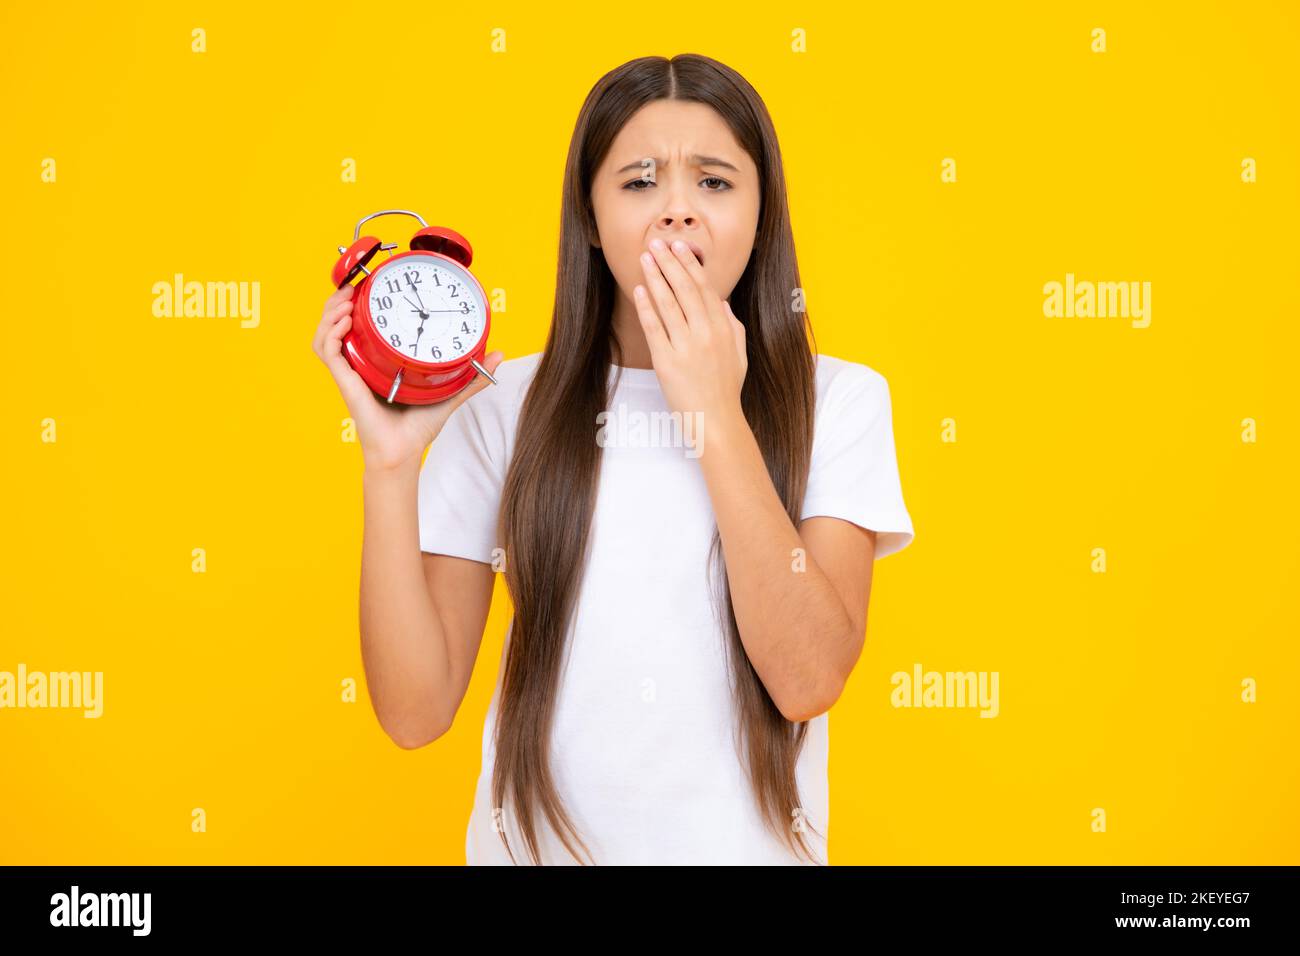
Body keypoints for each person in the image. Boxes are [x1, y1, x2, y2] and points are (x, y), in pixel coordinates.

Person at [311, 53, 915, 866]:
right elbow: (414, 713)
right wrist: (388, 468)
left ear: (763, 214)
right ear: (590, 221)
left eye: (714, 182)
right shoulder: (499, 404)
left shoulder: (840, 399)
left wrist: (711, 409)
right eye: (637, 183)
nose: (676, 212)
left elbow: (807, 678)